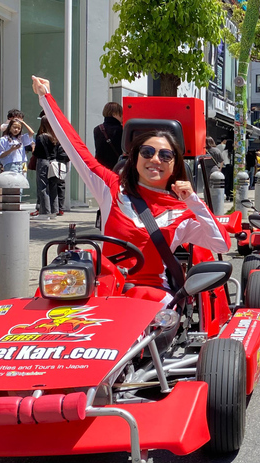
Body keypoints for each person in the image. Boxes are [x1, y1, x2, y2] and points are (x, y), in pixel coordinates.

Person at [33, 76, 229, 303]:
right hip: (104, 291)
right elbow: (76, 147)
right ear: (135, 159)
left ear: (175, 165)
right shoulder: (112, 188)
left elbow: (221, 244)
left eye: (165, 155)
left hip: (152, 297)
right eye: (147, 152)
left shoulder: (182, 211)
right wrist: (45, 98)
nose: (155, 159)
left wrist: (194, 201)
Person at [31, 116, 60, 220]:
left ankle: (45, 212)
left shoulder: (41, 137)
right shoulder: (55, 137)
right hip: (53, 162)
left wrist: (33, 147)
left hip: (43, 162)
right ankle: (54, 211)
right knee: (53, 186)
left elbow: (37, 153)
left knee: (42, 187)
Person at [93, 102, 124, 169]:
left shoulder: (97, 129)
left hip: (100, 168)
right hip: (116, 167)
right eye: (121, 113)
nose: (122, 116)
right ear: (114, 114)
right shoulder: (121, 130)